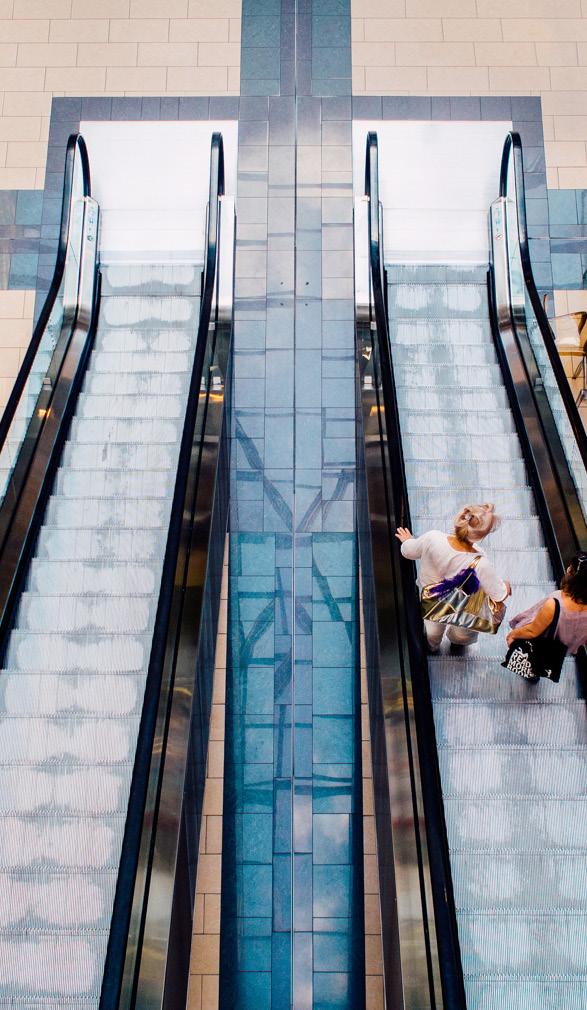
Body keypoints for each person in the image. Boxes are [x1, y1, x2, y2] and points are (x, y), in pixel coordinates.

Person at [396, 503, 511, 654]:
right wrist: (506, 586)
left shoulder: (433, 538)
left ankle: (432, 648)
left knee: (432, 630)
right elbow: (499, 594)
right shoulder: (480, 561)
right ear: (483, 535)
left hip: (432, 602)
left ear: (461, 518)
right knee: (463, 632)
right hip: (464, 607)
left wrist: (408, 541)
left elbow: (409, 552)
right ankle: (457, 644)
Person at [507, 553, 587, 657]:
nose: (567, 569)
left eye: (570, 568)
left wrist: (513, 635)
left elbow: (532, 631)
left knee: (530, 666)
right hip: (561, 653)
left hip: (537, 648)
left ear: (573, 577)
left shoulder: (556, 602)